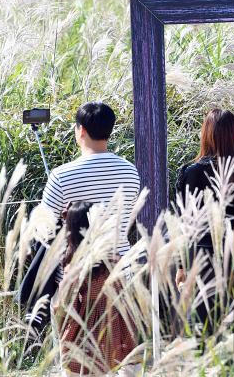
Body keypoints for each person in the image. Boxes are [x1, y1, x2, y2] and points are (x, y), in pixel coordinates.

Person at [175, 109, 234, 332]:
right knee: (233, 330)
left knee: (203, 329)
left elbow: (186, 223)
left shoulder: (192, 172)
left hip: (202, 258)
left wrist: (181, 264)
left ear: (206, 134)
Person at [41, 102, 141, 282]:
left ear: (81, 130)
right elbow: (128, 217)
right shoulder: (130, 171)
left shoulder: (61, 175)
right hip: (121, 271)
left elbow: (44, 229)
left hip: (76, 277)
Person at [54, 201, 137, 376]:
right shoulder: (113, 257)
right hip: (114, 329)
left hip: (84, 334)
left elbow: (64, 305)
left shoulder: (76, 265)